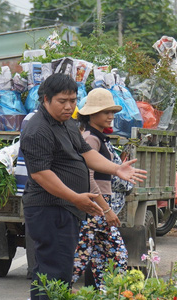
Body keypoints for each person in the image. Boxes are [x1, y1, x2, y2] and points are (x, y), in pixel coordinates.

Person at [20, 74, 146, 300]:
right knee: (57, 272)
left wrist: (116, 169)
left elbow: (87, 153)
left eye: (73, 101)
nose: (68, 106)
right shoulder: (38, 129)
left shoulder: (67, 125)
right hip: (49, 208)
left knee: (46, 270)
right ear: (45, 100)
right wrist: (76, 197)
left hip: (66, 208)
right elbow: (41, 174)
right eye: (62, 101)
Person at [73, 88, 129, 289]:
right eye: (106, 112)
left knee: (101, 260)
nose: (111, 116)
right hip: (95, 208)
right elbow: (88, 177)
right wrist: (105, 209)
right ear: (92, 114)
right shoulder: (91, 138)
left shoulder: (97, 136)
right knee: (113, 257)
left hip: (96, 207)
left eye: (112, 112)